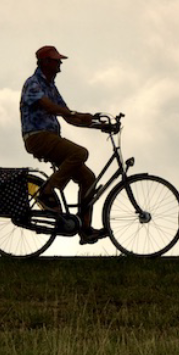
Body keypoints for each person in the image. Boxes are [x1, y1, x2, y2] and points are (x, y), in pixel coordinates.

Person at [19, 45, 107, 244]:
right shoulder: (34, 83)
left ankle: (85, 229)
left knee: (88, 178)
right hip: (37, 137)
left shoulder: (51, 86)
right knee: (80, 153)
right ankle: (47, 191)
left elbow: (67, 115)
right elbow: (50, 107)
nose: (60, 64)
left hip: (51, 138)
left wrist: (95, 124)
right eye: (56, 60)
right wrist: (73, 114)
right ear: (45, 63)